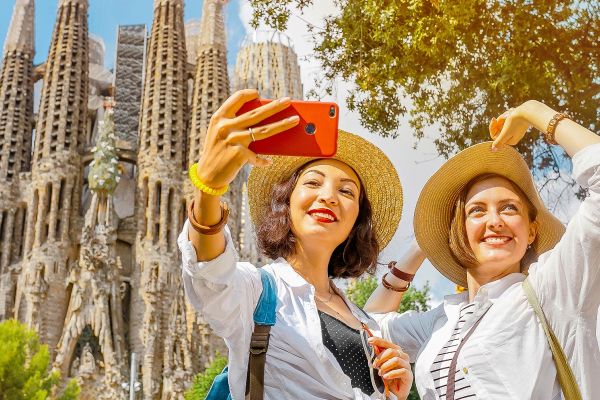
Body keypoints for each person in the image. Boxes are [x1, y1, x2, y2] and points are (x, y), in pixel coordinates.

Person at [178, 89, 413, 399]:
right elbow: (210, 275)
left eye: (346, 192)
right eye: (313, 182)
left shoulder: (365, 322)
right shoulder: (258, 292)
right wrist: (208, 190)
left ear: (357, 220)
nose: (328, 196)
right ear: (286, 202)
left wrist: (394, 393)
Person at [365, 100, 600, 399]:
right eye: (476, 211)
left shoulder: (553, 288)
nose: (495, 221)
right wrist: (420, 247)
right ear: (458, 232)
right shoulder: (441, 320)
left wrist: (534, 112)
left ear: (531, 231)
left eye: (509, 208)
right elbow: (368, 328)